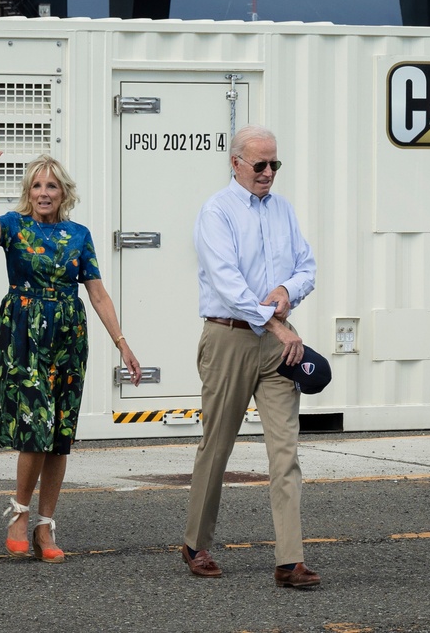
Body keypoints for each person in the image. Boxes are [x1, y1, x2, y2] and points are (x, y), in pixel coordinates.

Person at [0, 134, 142, 563]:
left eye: (52, 186)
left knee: (60, 434)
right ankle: (19, 514)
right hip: (23, 333)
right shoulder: (13, 225)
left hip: (67, 336)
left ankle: (46, 525)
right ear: (28, 192)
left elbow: (97, 294)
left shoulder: (78, 235)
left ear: (64, 192)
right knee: (36, 423)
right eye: (37, 186)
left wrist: (122, 343)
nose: (44, 193)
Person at [181, 125, 320, 587]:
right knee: (217, 447)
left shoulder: (283, 210)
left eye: (274, 164)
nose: (268, 173)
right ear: (235, 163)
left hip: (276, 345)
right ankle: (196, 544)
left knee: (286, 452)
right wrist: (276, 322)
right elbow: (228, 282)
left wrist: (286, 289)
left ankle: (289, 559)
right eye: (259, 164)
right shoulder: (216, 212)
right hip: (230, 338)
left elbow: (307, 267)